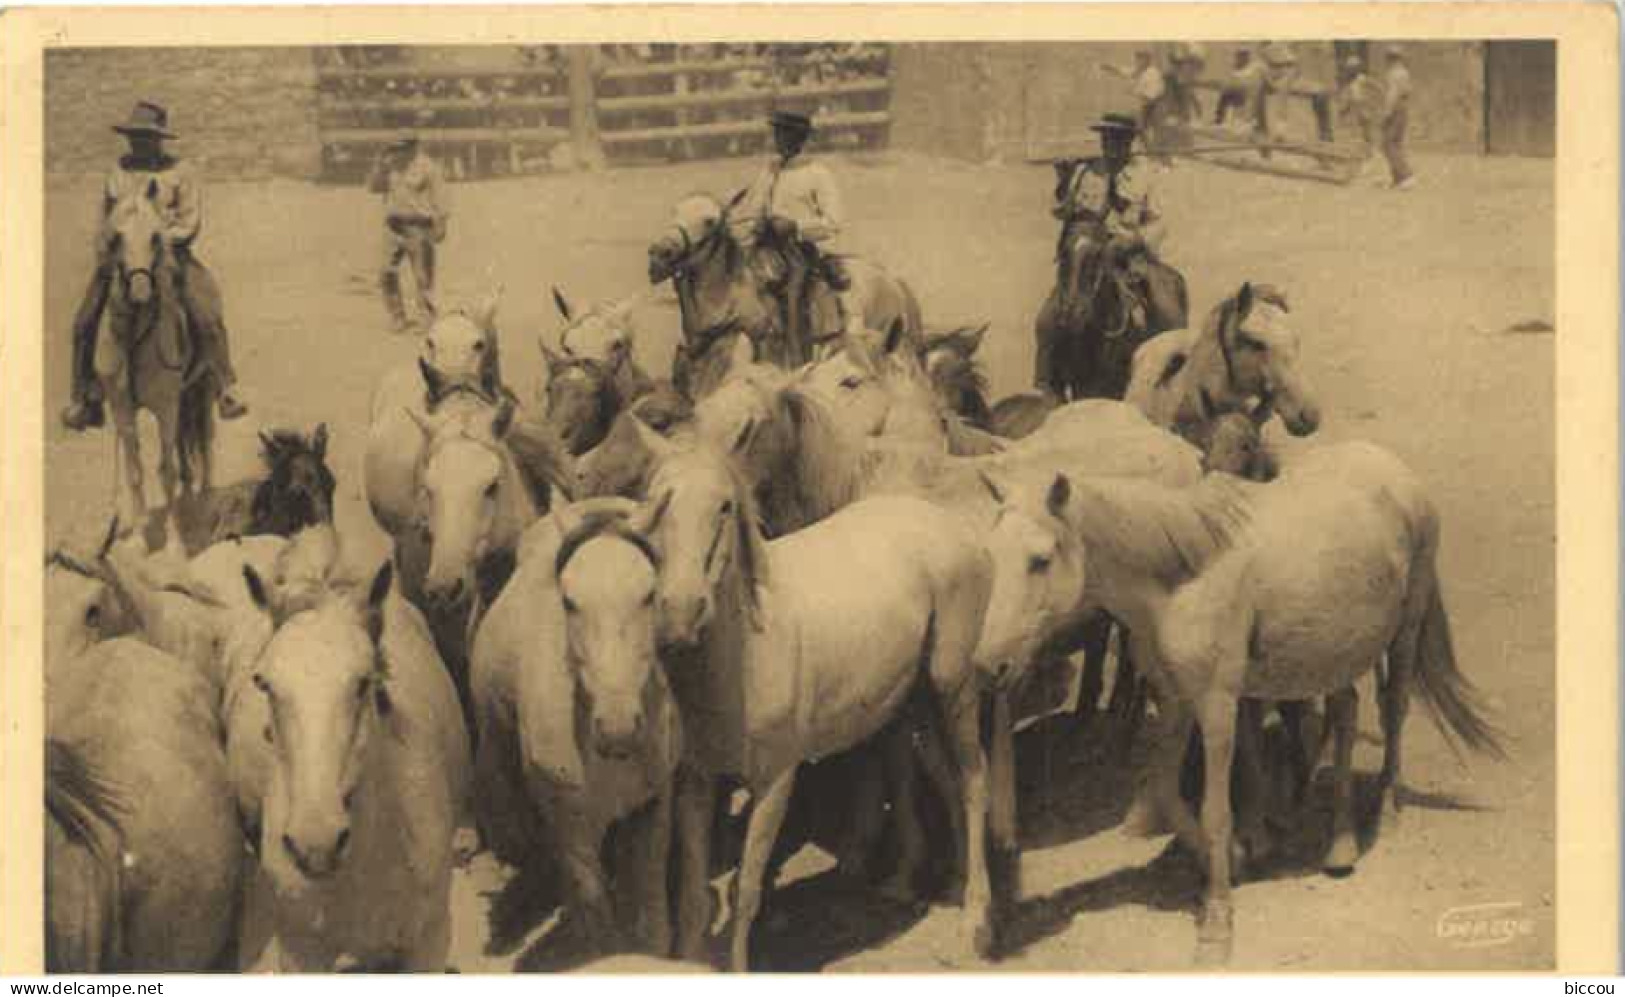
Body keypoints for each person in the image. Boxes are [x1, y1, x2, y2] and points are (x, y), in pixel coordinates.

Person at [61, 101, 248, 432]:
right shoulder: (117, 172)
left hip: (169, 255)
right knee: (84, 319)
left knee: (205, 313)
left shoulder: (180, 172)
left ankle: (225, 387)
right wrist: (112, 247)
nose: (139, 143)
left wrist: (155, 239)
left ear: (160, 138)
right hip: (123, 259)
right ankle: (84, 397)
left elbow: (190, 222)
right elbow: (105, 220)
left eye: (146, 137)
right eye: (135, 136)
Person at [1040, 113, 1183, 393]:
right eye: (1106, 138)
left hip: (1129, 256)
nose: (1111, 145)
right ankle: (1046, 386)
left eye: (1118, 139)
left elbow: (1161, 222)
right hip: (1084, 256)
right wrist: (1062, 181)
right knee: (1046, 320)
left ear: (1130, 142)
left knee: (1167, 310)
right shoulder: (1084, 171)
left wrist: (1133, 240)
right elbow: (1062, 212)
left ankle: (1170, 376)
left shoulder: (1147, 174)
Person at [732, 110, 859, 365]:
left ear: (798, 138)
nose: (778, 139)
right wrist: (748, 227)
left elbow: (834, 222)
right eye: (777, 133)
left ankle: (799, 358)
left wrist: (796, 226)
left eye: (784, 134)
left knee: (793, 292)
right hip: (766, 246)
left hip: (801, 250)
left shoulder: (818, 173)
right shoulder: (770, 170)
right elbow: (753, 209)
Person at [367, 133, 448, 331]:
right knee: (386, 271)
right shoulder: (390, 165)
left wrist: (441, 224)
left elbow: (441, 198)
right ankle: (397, 317)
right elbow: (373, 188)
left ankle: (426, 319)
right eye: (394, 147)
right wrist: (379, 167)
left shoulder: (428, 167)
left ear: (414, 147)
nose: (397, 152)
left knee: (423, 277)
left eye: (402, 147)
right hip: (393, 226)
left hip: (419, 226)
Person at [1380, 45, 1417, 189]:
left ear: (1390, 58)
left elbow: (1392, 96)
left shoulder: (1393, 74)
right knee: (1396, 143)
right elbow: (1408, 91)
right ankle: (1397, 179)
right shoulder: (1404, 72)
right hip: (1403, 109)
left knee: (1388, 144)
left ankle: (1406, 176)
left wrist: (1386, 114)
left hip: (1395, 110)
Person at [1215, 48, 1266, 130]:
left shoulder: (1254, 67)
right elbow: (1232, 81)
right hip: (1238, 92)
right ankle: (1221, 121)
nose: (1239, 59)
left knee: (1234, 95)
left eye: (1242, 56)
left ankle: (1238, 123)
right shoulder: (1236, 68)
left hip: (1248, 93)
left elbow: (1253, 83)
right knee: (1226, 93)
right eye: (1238, 56)